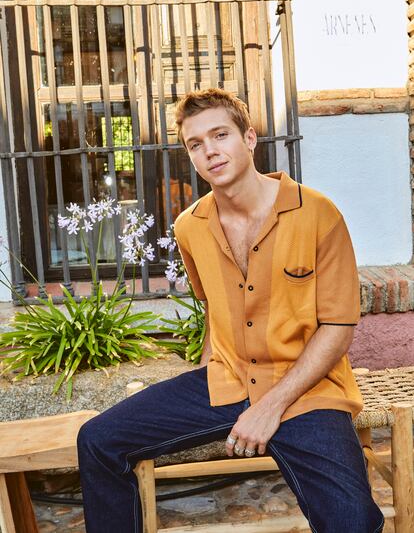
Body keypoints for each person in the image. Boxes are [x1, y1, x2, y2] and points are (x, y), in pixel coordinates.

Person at [77, 88, 384, 533]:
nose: (209, 151)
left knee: (353, 522)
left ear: (250, 138)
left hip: (304, 390)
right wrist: (203, 384)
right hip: (228, 380)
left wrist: (269, 408)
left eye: (220, 135)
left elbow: (337, 328)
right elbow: (213, 308)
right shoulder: (189, 226)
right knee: (98, 440)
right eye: (195, 144)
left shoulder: (319, 214)